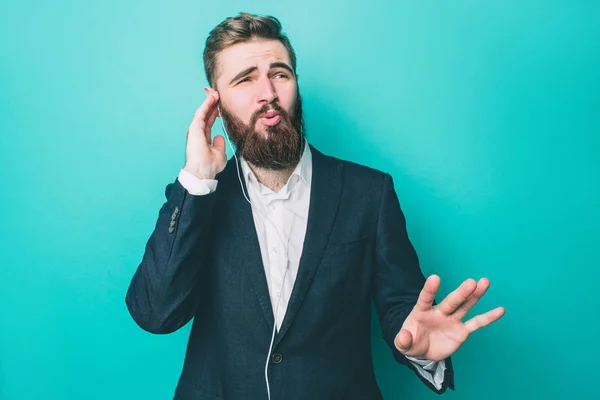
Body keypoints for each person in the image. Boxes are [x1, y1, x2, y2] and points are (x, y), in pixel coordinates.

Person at [125, 12, 505, 400]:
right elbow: (157, 313)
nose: (268, 93)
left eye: (279, 74)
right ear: (216, 104)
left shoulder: (369, 192)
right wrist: (196, 181)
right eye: (245, 79)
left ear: (295, 85)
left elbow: (401, 306)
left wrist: (415, 344)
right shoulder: (200, 195)